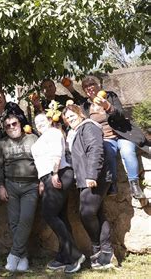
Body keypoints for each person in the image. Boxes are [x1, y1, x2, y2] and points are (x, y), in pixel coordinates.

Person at [63, 104, 115, 269]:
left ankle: (97, 249)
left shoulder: (88, 127)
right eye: (67, 118)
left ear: (80, 113)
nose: (70, 119)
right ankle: (107, 254)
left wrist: (91, 175)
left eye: (72, 115)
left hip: (95, 176)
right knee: (97, 213)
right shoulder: (76, 131)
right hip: (85, 177)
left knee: (86, 212)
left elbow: (96, 150)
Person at [31, 114, 84, 273]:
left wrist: (54, 173)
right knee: (60, 216)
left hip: (59, 173)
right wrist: (42, 180)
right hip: (48, 176)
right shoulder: (40, 139)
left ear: (49, 121)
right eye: (36, 122)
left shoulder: (53, 132)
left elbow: (57, 153)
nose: (39, 124)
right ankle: (64, 256)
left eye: (42, 120)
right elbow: (41, 162)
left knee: (49, 215)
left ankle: (74, 255)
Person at [81, 76, 148, 199]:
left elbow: (121, 115)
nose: (89, 87)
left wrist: (108, 106)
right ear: (84, 91)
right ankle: (112, 184)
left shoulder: (110, 96)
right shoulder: (85, 106)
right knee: (108, 152)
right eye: (86, 86)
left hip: (122, 134)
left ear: (98, 85)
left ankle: (134, 185)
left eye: (92, 84)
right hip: (104, 138)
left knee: (128, 151)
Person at [0, 114, 38, 272]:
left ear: (20, 124)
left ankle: (13, 255)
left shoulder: (33, 139)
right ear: (4, 129)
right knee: (14, 222)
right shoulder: (1, 144)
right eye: (8, 126)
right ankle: (23, 257)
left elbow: (42, 159)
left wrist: (42, 181)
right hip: (11, 185)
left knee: (26, 219)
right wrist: (0, 186)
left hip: (31, 185)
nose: (12, 127)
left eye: (14, 123)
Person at [0, 90, 28, 156]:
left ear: (4, 98)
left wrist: (0, 124)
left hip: (11, 135)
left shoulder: (11, 106)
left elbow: (22, 119)